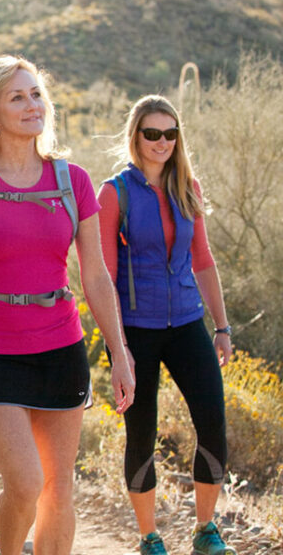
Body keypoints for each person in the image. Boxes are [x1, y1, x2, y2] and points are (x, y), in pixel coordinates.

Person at [0, 56, 135, 555]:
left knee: (59, 490)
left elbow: (95, 275)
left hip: (59, 349)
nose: (32, 105)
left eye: (37, 94)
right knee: (25, 483)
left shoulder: (73, 182)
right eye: (17, 97)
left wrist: (120, 351)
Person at [98, 95, 235, 555]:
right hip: (137, 330)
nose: (161, 142)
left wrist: (222, 326)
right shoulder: (114, 192)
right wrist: (118, 348)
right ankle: (148, 536)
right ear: (135, 136)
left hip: (187, 324)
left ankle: (205, 530)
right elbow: (106, 277)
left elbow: (203, 260)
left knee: (213, 424)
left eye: (170, 133)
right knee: (142, 432)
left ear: (179, 138)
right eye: (152, 133)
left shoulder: (186, 186)